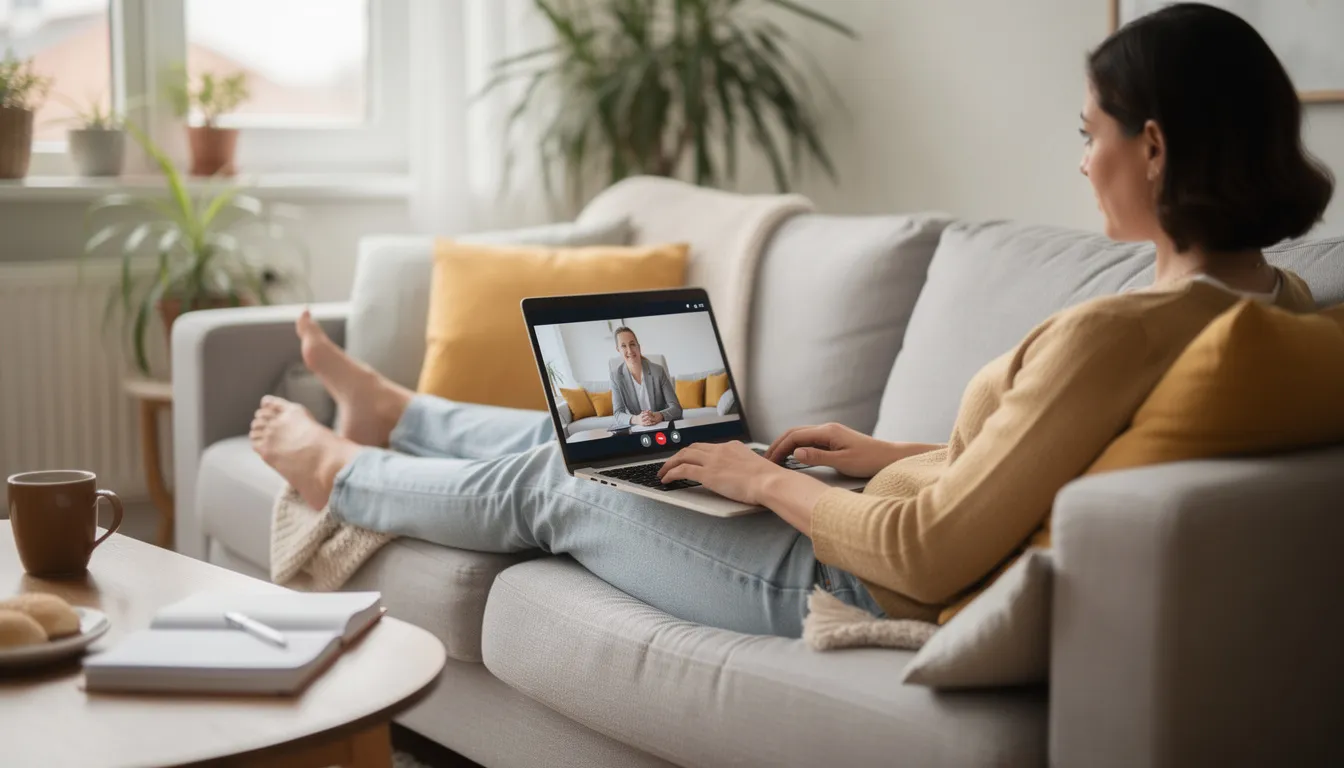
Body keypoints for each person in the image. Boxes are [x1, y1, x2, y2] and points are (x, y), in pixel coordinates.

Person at [251, 2, 1333, 638]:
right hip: (865, 511)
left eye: (1090, 130)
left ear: (1153, 147)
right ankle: (405, 411)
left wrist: (759, 479)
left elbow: (928, 549)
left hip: (851, 569)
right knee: (609, 440)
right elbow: (1050, 458)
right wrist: (896, 451)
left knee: (563, 478)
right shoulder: (1270, 303)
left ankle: (338, 474)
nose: (1080, 156)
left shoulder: (1128, 327)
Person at [608, 326, 683, 427]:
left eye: (632, 344)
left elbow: (677, 408)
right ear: (618, 350)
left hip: (662, 426)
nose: (629, 350)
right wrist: (636, 419)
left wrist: (659, 415)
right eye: (623, 346)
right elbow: (617, 414)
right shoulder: (616, 377)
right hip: (638, 429)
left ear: (638, 346)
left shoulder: (658, 371)